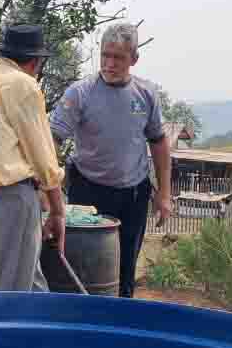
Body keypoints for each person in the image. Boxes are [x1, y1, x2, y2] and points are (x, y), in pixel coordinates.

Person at [50, 22, 172, 298]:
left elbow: (159, 142)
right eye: (105, 55)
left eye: (118, 57)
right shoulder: (80, 92)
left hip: (133, 194)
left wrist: (164, 194)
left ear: (134, 59)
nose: (110, 63)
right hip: (88, 192)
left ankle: (121, 318)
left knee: (125, 270)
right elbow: (52, 140)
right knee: (85, 270)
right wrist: (47, 188)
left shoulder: (146, 94)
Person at [0, 23, 66, 292]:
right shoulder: (23, 85)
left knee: (32, 290)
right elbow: (43, 159)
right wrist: (57, 211)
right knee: (7, 299)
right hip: (13, 203)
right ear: (36, 62)